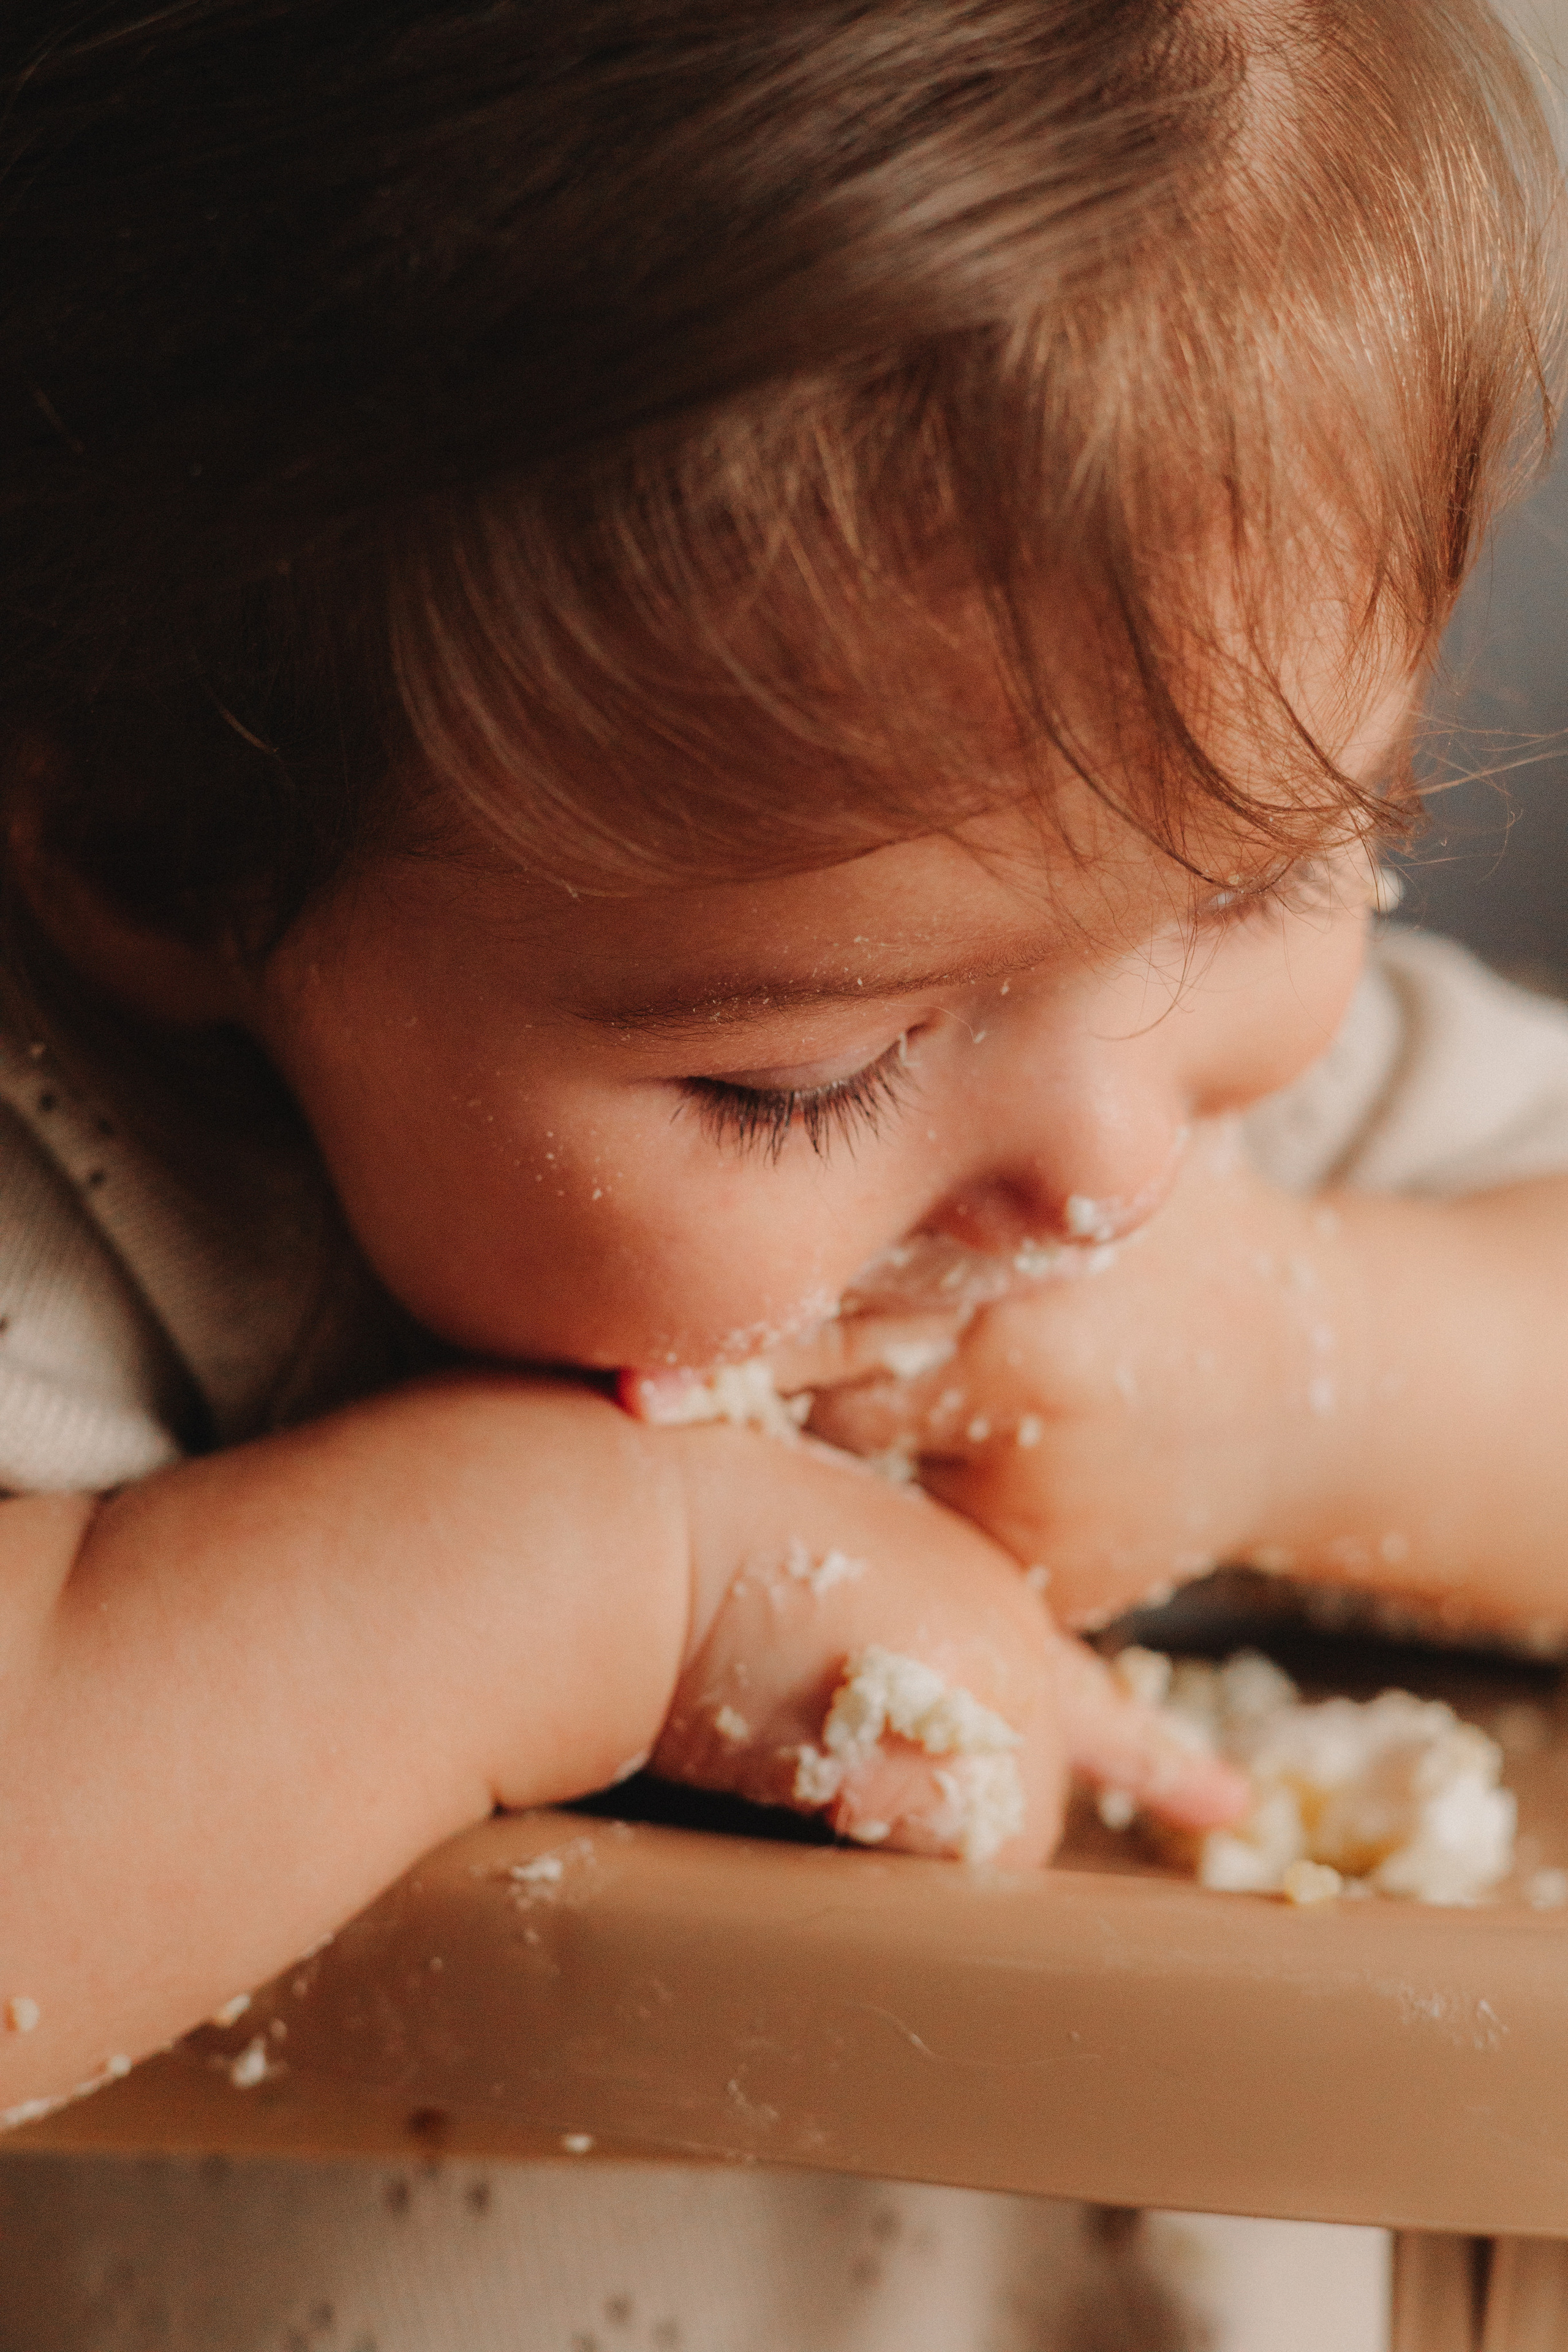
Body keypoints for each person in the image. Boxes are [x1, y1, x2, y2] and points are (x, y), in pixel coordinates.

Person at [0, 0, 1564, 2342]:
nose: (1113, 1160)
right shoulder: (83, 1210)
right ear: (169, 852)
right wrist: (587, 1588)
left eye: (1263, 882)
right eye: (805, 1077)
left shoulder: (1208, 1151)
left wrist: (1308, 1368)